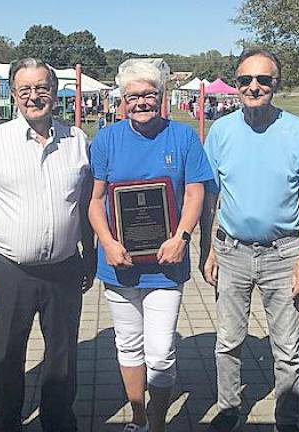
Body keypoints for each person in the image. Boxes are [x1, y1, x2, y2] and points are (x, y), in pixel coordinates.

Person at [0, 58, 95, 432]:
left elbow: (85, 206)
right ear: (13, 94)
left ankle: (58, 422)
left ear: (55, 93)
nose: (34, 96)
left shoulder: (77, 140)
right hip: (8, 269)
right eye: (25, 89)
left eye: (42, 88)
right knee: (6, 358)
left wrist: (90, 258)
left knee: (63, 357)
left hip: (65, 267)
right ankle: (6, 423)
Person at [200, 49, 299, 432]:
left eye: (263, 80)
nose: (253, 87)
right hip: (231, 250)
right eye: (245, 80)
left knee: (287, 348)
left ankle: (287, 418)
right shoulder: (221, 131)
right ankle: (228, 408)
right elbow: (210, 197)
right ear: (236, 85)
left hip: (284, 253)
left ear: (276, 85)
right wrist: (208, 250)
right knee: (228, 341)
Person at [88, 61, 213, 432]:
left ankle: (156, 423)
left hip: (166, 265)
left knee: (160, 354)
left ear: (161, 97)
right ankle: (138, 418)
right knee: (128, 344)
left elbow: (195, 191)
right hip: (119, 263)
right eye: (133, 97)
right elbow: (94, 200)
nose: (141, 102)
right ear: (122, 101)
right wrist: (107, 243)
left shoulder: (184, 137)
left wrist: (183, 237)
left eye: (148, 95)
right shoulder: (107, 139)